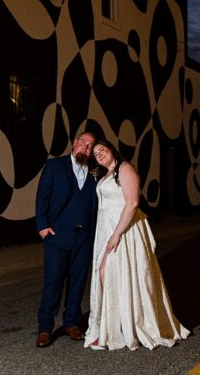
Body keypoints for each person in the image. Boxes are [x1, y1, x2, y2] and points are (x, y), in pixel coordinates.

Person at [84, 140, 189, 351]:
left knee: (110, 272)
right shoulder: (106, 174)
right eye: (96, 154)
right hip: (108, 229)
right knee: (110, 274)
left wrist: (116, 235)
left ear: (112, 149)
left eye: (102, 150)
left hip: (124, 230)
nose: (100, 155)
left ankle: (121, 328)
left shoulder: (125, 168)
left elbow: (132, 203)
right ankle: (116, 327)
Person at [34, 131, 97, 348]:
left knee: (78, 281)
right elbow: (42, 196)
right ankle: (45, 328)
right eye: (83, 143)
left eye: (90, 146)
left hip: (84, 238)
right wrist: (42, 226)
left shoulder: (95, 172)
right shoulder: (54, 166)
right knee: (53, 281)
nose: (85, 148)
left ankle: (71, 322)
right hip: (58, 235)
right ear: (74, 143)